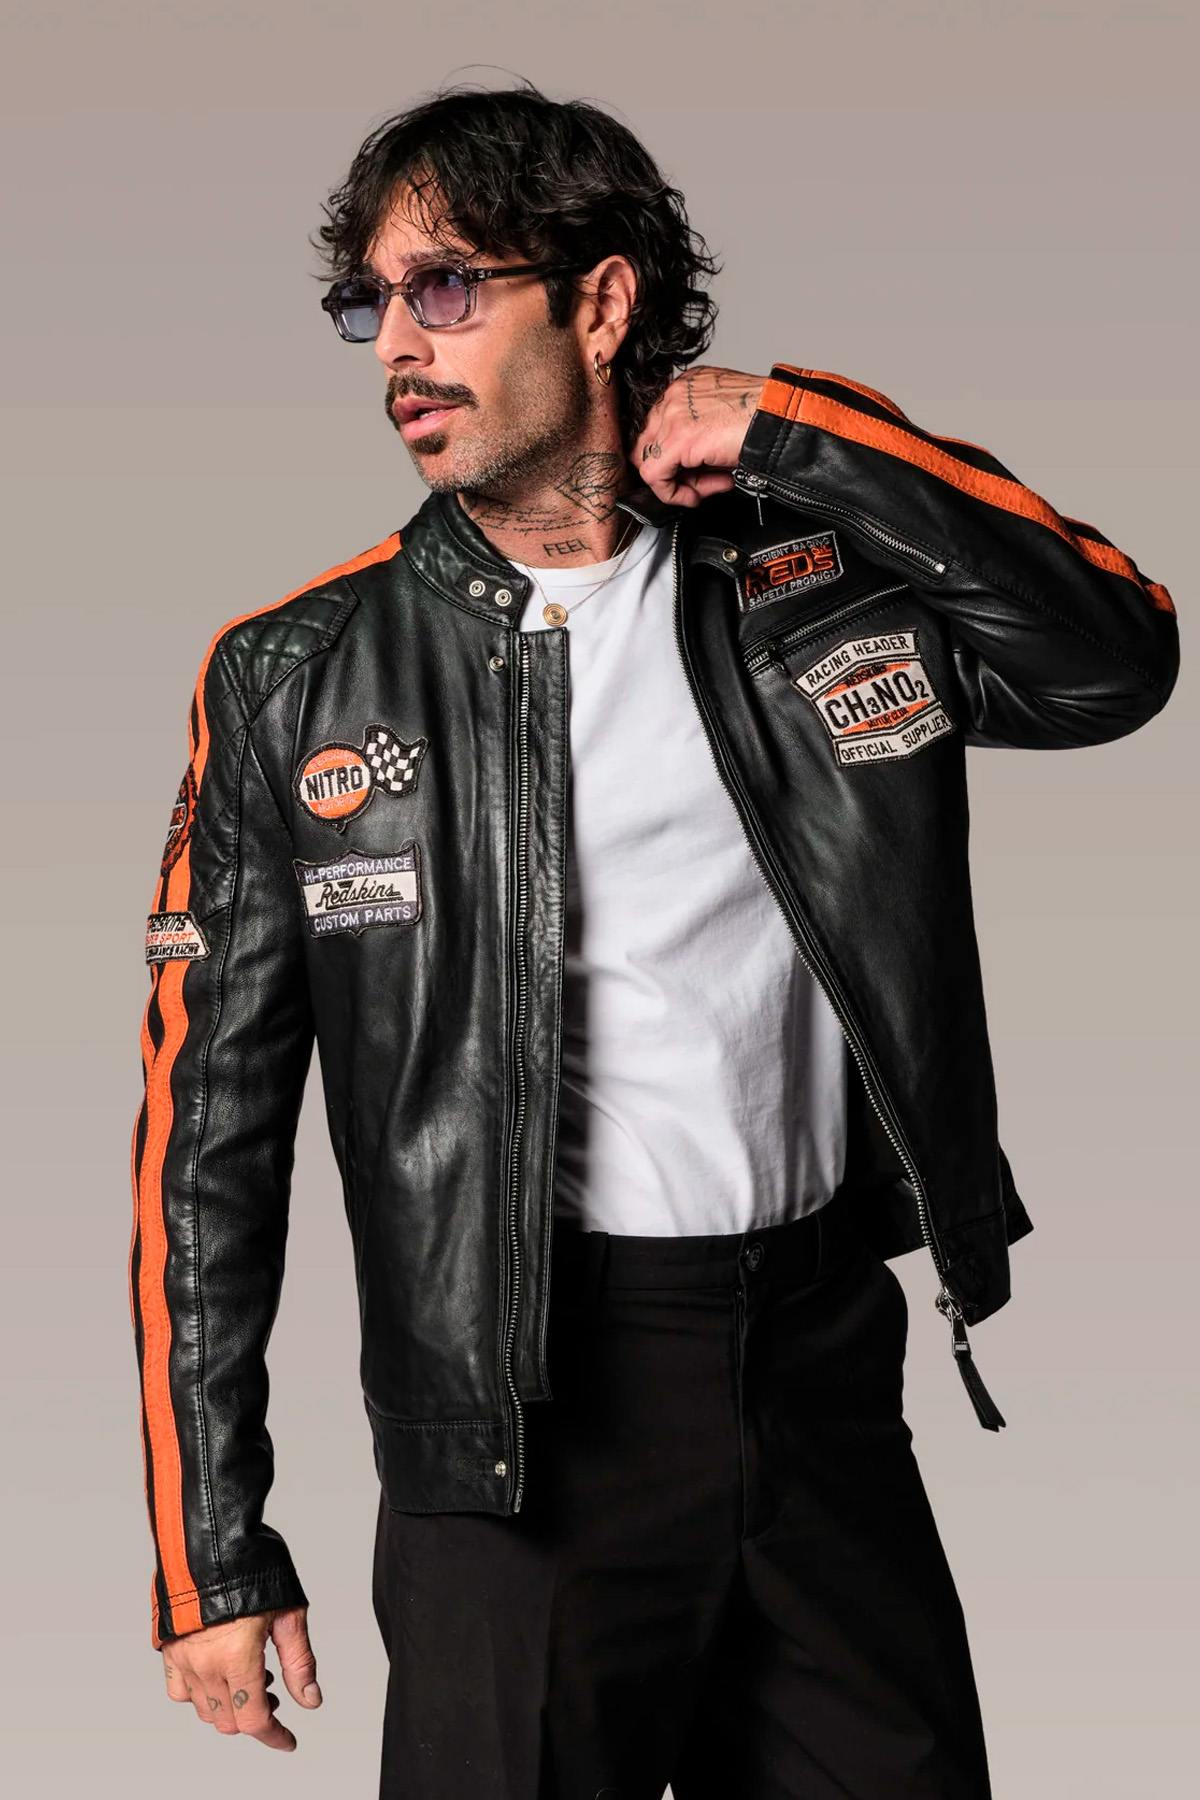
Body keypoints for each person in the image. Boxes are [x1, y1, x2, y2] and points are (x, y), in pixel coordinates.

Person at [128, 79, 1179, 1798]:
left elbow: (1113, 660)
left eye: (448, 285)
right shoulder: (295, 678)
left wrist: (808, 433)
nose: (403, 344)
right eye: (374, 303)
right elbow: (205, 1145)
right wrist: (208, 1553)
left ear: (602, 304)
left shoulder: (815, 587)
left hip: (820, 1369)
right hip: (520, 1431)